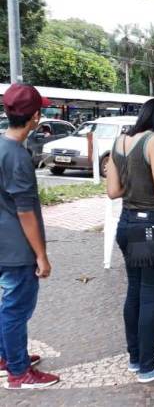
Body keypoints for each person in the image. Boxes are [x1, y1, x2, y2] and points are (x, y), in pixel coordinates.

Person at [106, 98, 154, 383]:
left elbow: (113, 191)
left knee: (135, 291)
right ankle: (149, 367)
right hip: (152, 225)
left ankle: (136, 358)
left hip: (127, 223)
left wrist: (137, 180)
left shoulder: (119, 141)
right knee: (151, 296)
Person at [0, 84, 59, 390]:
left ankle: (5, 356)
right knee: (16, 308)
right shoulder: (18, 156)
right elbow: (25, 212)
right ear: (35, 116)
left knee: (7, 306)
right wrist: (41, 255)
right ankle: (18, 372)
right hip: (16, 249)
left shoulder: (1, 146)